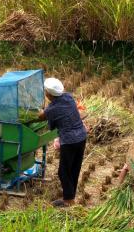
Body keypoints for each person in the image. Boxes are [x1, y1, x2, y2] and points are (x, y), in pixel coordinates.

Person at [36, 77, 87, 208]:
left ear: (48, 94)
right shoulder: (68, 97)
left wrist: (39, 112)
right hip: (81, 136)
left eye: (45, 91)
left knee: (63, 171)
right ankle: (70, 197)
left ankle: (68, 201)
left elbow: (41, 117)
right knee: (74, 168)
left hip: (69, 141)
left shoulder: (51, 109)